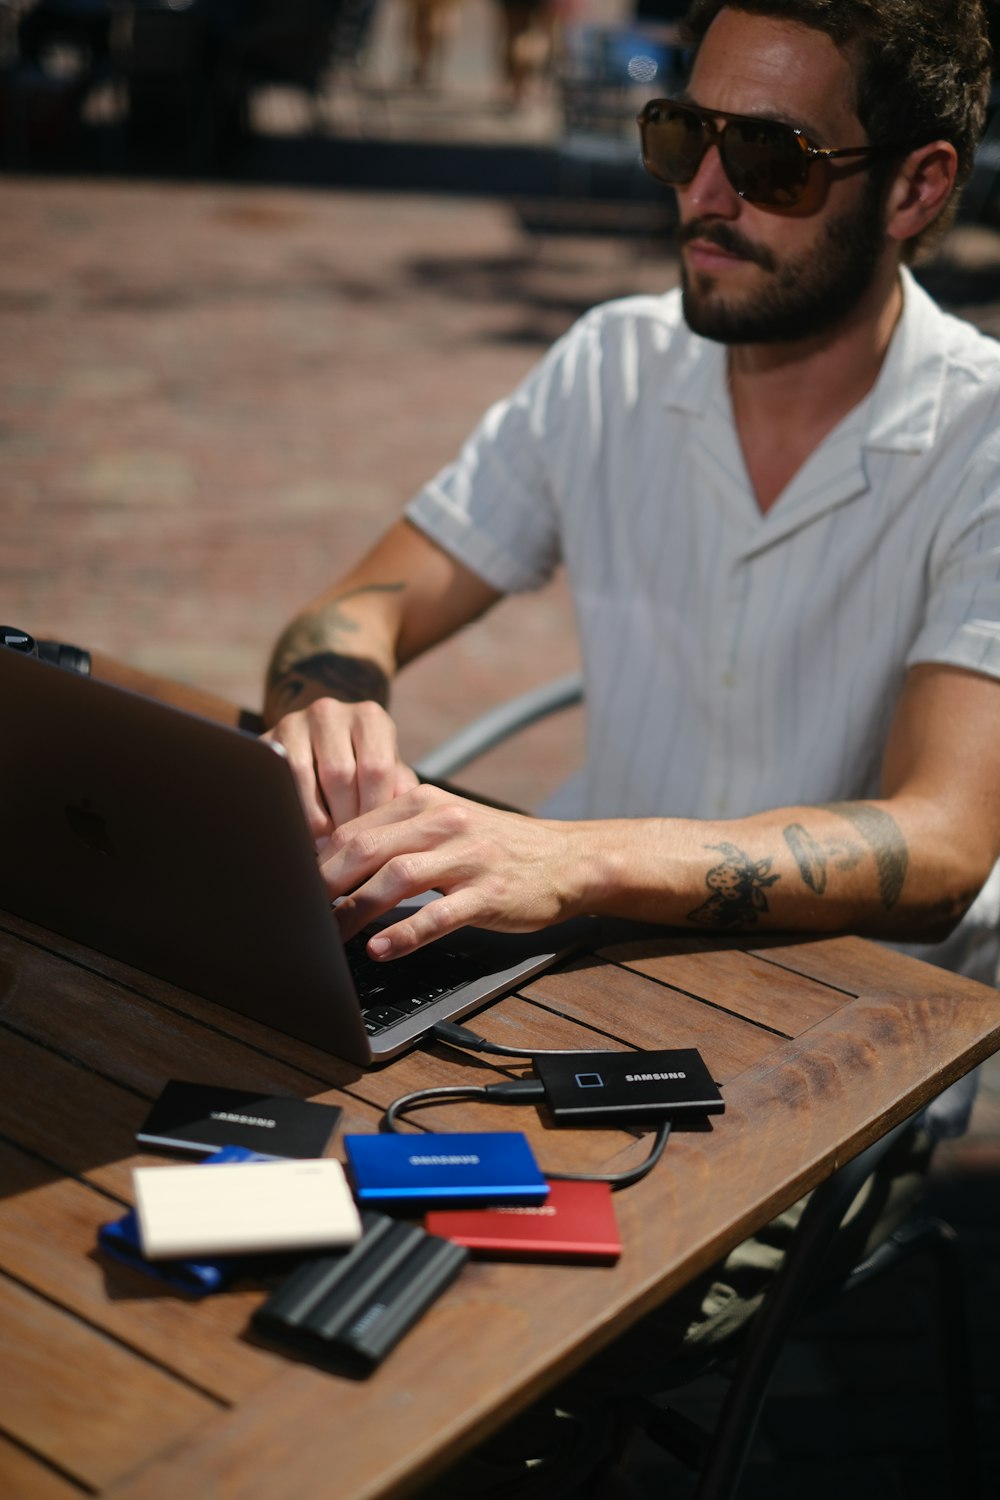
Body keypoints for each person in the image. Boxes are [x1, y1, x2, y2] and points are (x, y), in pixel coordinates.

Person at [263, 0, 999, 1483]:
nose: (703, 193)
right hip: (566, 991)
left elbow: (940, 845)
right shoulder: (610, 364)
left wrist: (563, 857)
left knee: (462, 1330)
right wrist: (329, 699)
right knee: (254, 1177)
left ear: (917, 187)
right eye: (684, 133)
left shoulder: (984, 441)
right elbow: (361, 603)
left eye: (773, 158)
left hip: (837, 1056)